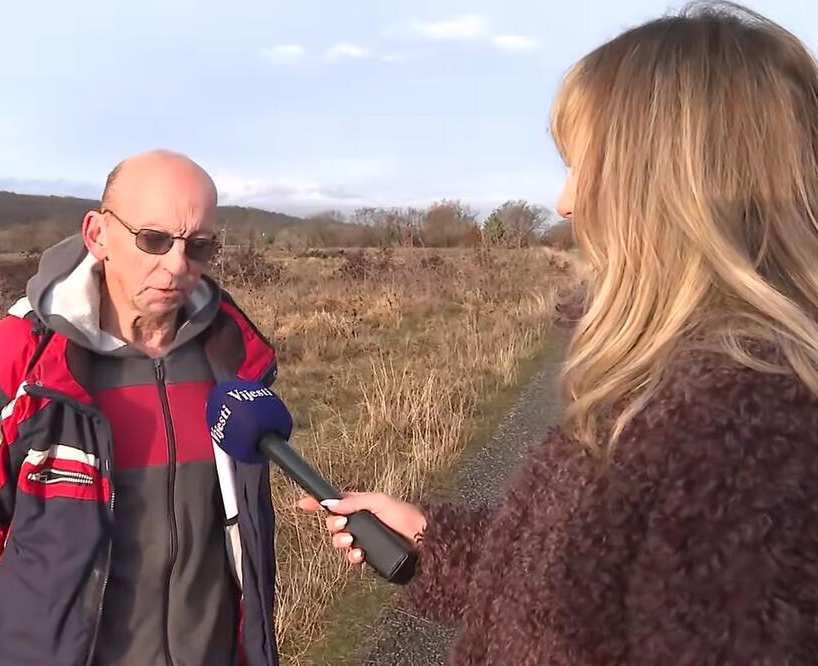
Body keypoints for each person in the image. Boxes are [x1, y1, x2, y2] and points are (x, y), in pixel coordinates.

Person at [300, 3, 818, 664]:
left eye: (584, 166)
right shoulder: (681, 391)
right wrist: (429, 539)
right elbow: (577, 582)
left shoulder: (744, 445)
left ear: (672, 190)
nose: (565, 203)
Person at [0, 150, 281, 666]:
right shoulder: (24, 362)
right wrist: (23, 641)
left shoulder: (232, 356)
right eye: (154, 240)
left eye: (198, 246)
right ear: (98, 235)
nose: (177, 266)